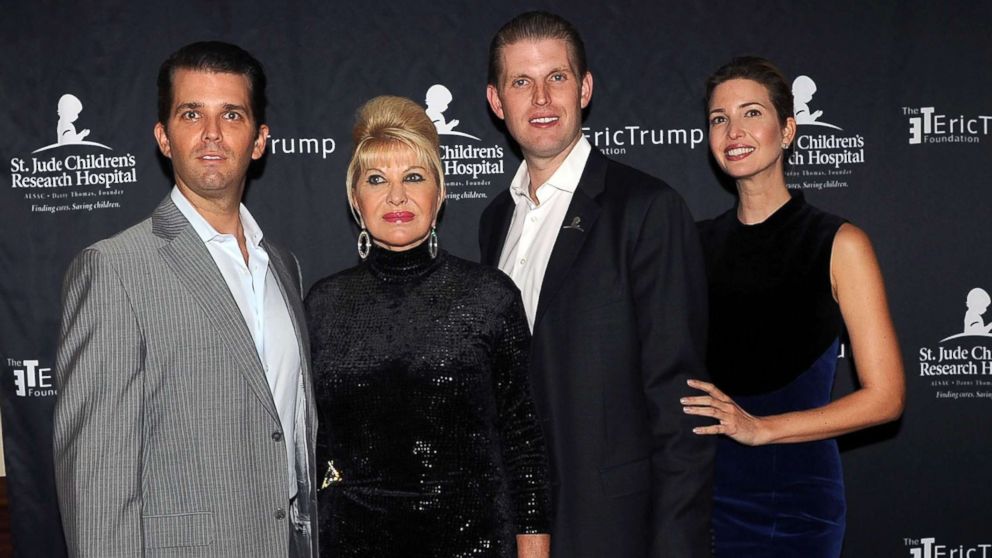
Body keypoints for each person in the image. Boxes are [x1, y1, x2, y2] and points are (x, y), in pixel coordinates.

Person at [53, 41, 317, 558]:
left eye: (232, 115)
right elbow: (96, 478)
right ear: (164, 137)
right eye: (191, 113)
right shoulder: (114, 269)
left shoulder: (283, 265)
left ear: (259, 140)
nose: (212, 133)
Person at [479, 11, 714, 558]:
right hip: (518, 524)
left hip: (616, 527)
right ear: (496, 102)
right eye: (521, 82)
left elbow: (681, 407)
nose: (541, 97)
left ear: (584, 88)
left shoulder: (647, 210)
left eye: (556, 77)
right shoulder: (495, 221)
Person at [305, 95, 551, 558]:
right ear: (355, 199)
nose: (396, 196)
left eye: (413, 177)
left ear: (438, 194)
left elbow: (523, 438)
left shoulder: (490, 296)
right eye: (377, 180)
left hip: (471, 539)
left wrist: (534, 547)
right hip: (353, 540)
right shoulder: (323, 303)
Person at [685, 56, 906, 557]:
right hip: (701, 497)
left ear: (787, 130)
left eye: (751, 113)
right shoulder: (692, 245)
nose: (734, 130)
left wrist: (761, 429)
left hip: (793, 502)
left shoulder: (839, 243)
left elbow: (886, 396)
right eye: (719, 118)